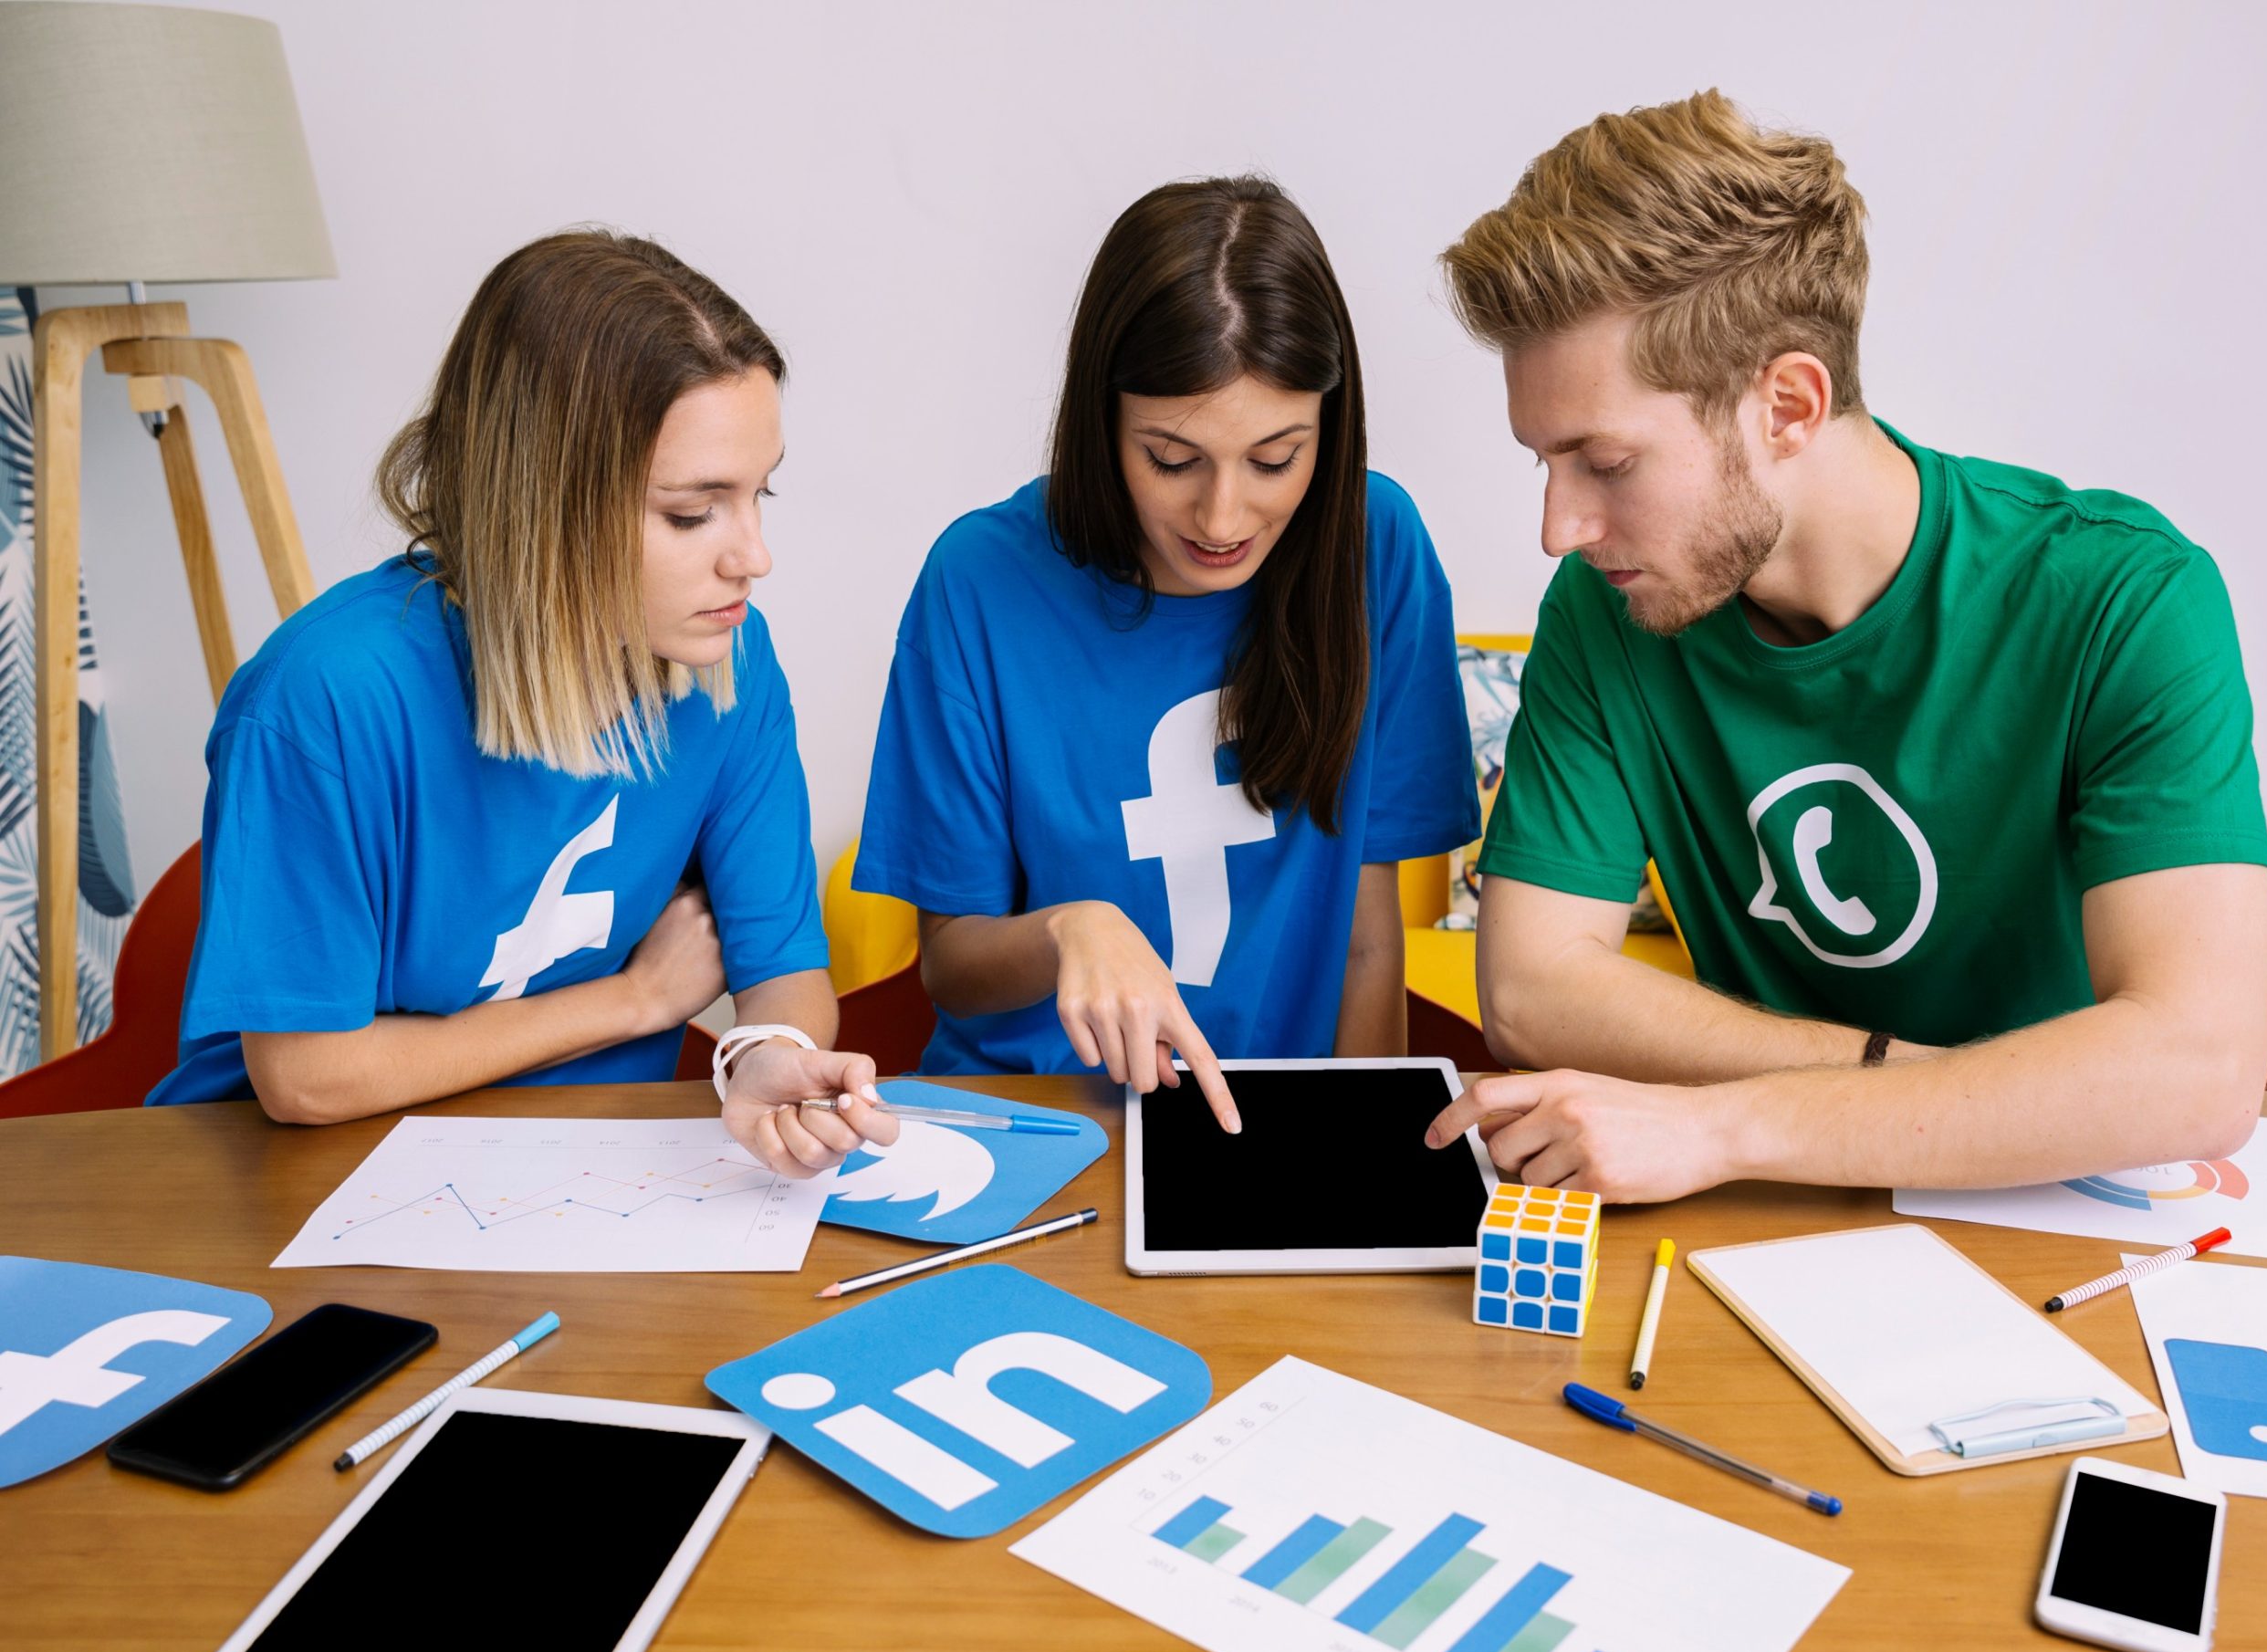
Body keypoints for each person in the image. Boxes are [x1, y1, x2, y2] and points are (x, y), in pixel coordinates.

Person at [1424, 92, 2267, 1202]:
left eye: (1607, 464)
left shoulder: (2126, 595)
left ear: (1786, 403)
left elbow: (2198, 1073)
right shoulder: (1609, 608)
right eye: (1544, 461)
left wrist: (1730, 1126)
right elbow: (1535, 988)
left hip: (2071, 1209)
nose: (1560, 528)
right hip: (1789, 1214)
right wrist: (1910, 1092)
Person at [151, 229, 896, 1179]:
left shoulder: (727, 659)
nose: (752, 555)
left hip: (590, 1179)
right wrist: (634, 1003)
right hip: (291, 1182)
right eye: (691, 511)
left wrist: (766, 1056)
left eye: (759, 493)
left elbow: (781, 973)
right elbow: (305, 1078)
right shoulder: (325, 701)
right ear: (548, 502)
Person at [854, 177, 1478, 1127]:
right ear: (1102, 422)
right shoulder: (978, 579)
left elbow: (1363, 934)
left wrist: (1362, 1165)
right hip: (1039, 1118)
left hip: (1270, 1127)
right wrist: (1074, 927)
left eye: (1275, 458)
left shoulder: (1375, 544)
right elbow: (954, 968)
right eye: (1173, 459)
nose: (1223, 517)